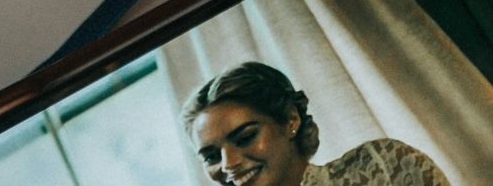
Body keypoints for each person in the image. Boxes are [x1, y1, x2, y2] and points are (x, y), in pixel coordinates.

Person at [184, 62, 452, 186]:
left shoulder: (382, 165)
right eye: (211, 156)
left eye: (245, 138)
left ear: (291, 119)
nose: (229, 164)